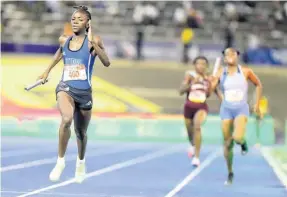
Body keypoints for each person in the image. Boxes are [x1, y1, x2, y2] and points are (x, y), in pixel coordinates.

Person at [37, 5, 110, 183]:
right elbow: (58, 55)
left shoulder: (95, 40)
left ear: (88, 23)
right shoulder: (64, 40)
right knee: (66, 119)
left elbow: (107, 62)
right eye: (73, 19)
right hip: (65, 88)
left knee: (81, 133)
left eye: (80, 19)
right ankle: (60, 161)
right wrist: (47, 71)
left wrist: (94, 44)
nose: (75, 22)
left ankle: (80, 162)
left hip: (84, 92)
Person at [210, 48, 262, 185]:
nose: (230, 56)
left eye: (233, 53)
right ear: (224, 58)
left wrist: (256, 105)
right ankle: (230, 172)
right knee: (227, 143)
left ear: (237, 56)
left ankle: (243, 142)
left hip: (241, 108)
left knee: (237, 137)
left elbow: (258, 84)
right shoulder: (220, 72)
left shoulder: (246, 71)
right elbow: (211, 90)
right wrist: (212, 82)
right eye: (227, 54)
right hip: (226, 109)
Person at [179, 56, 222, 167]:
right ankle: (193, 145)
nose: (201, 66)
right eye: (199, 64)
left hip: (201, 107)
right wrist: (192, 83)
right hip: (188, 107)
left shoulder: (209, 79)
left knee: (197, 126)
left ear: (207, 66)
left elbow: (218, 93)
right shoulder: (190, 75)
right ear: (195, 65)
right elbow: (181, 91)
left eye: (203, 64)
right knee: (190, 132)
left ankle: (196, 158)